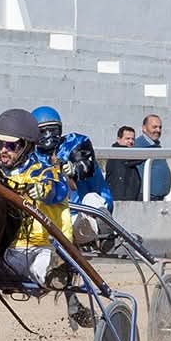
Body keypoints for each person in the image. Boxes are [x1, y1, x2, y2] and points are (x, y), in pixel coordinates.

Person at [0, 108, 93, 327]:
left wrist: (44, 190)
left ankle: (57, 273)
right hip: (2, 251)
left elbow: (59, 187)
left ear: (25, 146)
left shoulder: (45, 172)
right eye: (0, 145)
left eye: (11, 146)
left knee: (43, 265)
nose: (4, 150)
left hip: (40, 248)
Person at [33, 105, 114, 251]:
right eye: (43, 131)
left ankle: (102, 230)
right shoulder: (31, 156)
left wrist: (75, 168)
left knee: (91, 199)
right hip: (51, 218)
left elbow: (86, 165)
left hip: (80, 210)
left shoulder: (73, 143)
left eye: (53, 130)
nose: (49, 136)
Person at [135, 114, 171, 201]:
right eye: (154, 127)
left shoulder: (156, 145)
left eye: (160, 127)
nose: (158, 130)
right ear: (144, 128)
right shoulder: (138, 146)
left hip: (158, 197)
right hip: (147, 197)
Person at [104, 125, 143, 203]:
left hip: (127, 200)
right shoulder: (117, 155)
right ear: (119, 139)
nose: (131, 141)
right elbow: (139, 158)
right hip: (119, 201)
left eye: (133, 139)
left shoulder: (129, 157)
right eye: (127, 138)